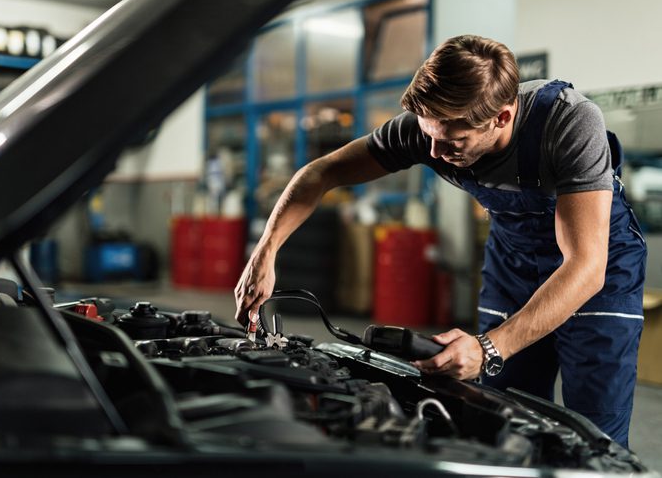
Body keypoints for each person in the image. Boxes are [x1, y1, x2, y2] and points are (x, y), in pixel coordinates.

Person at [234, 34, 646, 447]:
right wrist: (265, 251)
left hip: (599, 276)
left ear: (501, 118)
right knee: (503, 421)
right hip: (514, 264)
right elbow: (320, 173)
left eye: (452, 141)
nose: (433, 149)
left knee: (594, 436)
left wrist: (488, 347)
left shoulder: (569, 123)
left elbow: (585, 267)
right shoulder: (428, 130)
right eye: (429, 134)